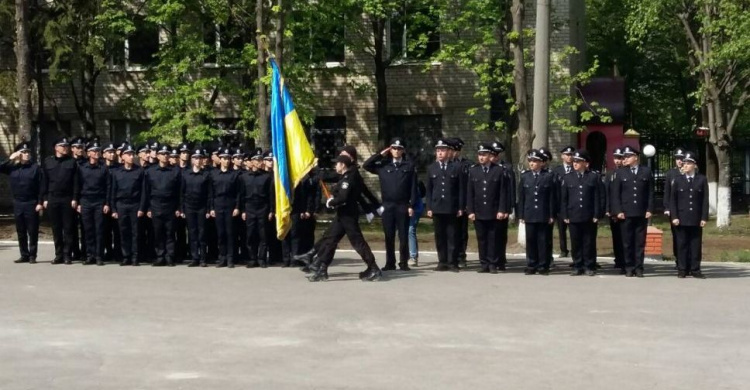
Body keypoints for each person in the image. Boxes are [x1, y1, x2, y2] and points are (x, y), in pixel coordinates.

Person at [306, 155, 382, 282]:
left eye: (337, 163)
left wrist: (331, 202)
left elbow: (343, 198)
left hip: (348, 216)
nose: (335, 166)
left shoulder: (347, 179)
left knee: (358, 242)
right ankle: (322, 270)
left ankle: (373, 268)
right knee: (330, 239)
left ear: (343, 165)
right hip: (342, 216)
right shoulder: (344, 177)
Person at [362, 137, 418, 271]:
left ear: (403, 150)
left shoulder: (408, 166)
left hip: (403, 205)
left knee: (403, 236)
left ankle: (403, 262)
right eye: (394, 148)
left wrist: (411, 205)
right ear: (390, 149)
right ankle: (390, 263)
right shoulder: (383, 165)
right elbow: (366, 165)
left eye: (399, 149)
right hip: (387, 206)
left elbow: (413, 187)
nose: (396, 151)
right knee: (389, 236)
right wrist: (380, 154)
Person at [611, 145, 654, 278]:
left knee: (640, 242)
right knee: (627, 242)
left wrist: (649, 209)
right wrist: (618, 210)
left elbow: (650, 193)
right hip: (626, 213)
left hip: (641, 212)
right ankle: (628, 267)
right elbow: (615, 194)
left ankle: (639, 268)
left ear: (636, 157)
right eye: (625, 156)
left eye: (628, 156)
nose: (625, 159)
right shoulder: (620, 173)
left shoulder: (646, 172)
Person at [466, 143, 509, 273]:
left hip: (493, 210)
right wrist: (471, 211)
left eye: (484, 155)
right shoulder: (474, 170)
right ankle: (483, 263)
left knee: (493, 238)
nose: (481, 157)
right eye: (480, 155)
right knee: (481, 238)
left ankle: (492, 263)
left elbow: (503, 192)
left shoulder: (498, 170)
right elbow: (470, 192)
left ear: (490, 156)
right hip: (479, 211)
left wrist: (502, 209)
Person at [1, 141, 44, 264]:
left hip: (31, 202)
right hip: (18, 202)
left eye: (28, 152)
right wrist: (10, 158)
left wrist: (40, 202)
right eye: (23, 152)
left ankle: (32, 255)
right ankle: (24, 254)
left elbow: (41, 187)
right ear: (18, 154)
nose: (26, 154)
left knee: (32, 230)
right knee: (21, 231)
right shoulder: (12, 167)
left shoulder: (35, 168)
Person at [560, 150, 602, 276]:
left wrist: (596, 214)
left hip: (589, 215)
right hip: (573, 215)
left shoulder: (593, 177)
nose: (575, 164)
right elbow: (564, 199)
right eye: (574, 161)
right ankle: (577, 265)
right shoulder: (568, 177)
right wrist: (565, 215)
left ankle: (589, 266)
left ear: (586, 163)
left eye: (578, 161)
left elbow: (597, 197)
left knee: (588, 242)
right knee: (576, 242)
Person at [425, 138, 464, 272]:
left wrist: (460, 207)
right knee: (440, 236)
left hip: (451, 207)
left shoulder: (456, 167)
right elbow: (429, 190)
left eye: (442, 150)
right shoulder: (432, 168)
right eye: (438, 151)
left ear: (448, 152)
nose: (440, 153)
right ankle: (442, 261)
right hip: (437, 207)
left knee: (452, 235)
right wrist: (429, 207)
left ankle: (452, 262)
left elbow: (460, 189)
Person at [669, 152, 708, 279]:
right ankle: (682, 269)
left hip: (696, 218)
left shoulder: (701, 179)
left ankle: (695, 269)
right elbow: (673, 200)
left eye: (688, 163)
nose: (685, 165)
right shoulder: (678, 180)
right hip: (681, 218)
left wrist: (703, 217)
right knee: (682, 245)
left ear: (694, 165)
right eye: (684, 163)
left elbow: (705, 200)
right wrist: (674, 216)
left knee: (695, 245)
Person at [518, 149, 556, 275]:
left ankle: (543, 265)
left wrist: (551, 214)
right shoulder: (525, 176)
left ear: (541, 163)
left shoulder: (548, 176)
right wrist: (521, 215)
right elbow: (522, 197)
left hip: (543, 214)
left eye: (535, 161)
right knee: (531, 241)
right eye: (530, 161)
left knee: (543, 241)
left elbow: (552, 197)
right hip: (529, 214)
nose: (532, 163)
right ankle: (531, 264)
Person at [42, 137, 79, 264]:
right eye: (62, 145)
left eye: (66, 146)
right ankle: (58, 254)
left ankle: (67, 254)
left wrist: (75, 198)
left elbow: (76, 182)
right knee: (56, 228)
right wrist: (45, 198)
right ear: (56, 147)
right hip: (52, 197)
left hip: (67, 198)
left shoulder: (72, 162)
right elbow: (44, 182)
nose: (65, 148)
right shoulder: (48, 162)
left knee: (68, 228)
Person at [144, 145, 182, 267]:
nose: (165, 156)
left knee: (170, 232)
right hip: (155, 205)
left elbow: (180, 191)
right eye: (162, 154)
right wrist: (148, 208)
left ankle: (169, 257)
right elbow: (147, 191)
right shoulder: (150, 171)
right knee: (158, 232)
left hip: (170, 205)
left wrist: (178, 208)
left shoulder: (175, 171)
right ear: (158, 156)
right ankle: (160, 256)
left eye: (167, 154)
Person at [110, 145, 146, 266]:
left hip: (135, 204)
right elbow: (113, 191)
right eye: (129, 155)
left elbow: (143, 191)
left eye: (132, 154)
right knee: (123, 231)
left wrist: (141, 207)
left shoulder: (139, 171)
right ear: (122, 157)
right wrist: (114, 209)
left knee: (135, 232)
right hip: (121, 204)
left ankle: (135, 257)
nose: (131, 157)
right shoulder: (116, 172)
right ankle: (126, 256)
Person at [75, 141, 110, 265]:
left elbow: (108, 186)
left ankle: (99, 256)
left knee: (99, 229)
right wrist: (78, 202)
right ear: (88, 153)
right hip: (85, 201)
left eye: (98, 151)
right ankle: (90, 255)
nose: (97, 153)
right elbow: (77, 186)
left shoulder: (104, 167)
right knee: (88, 230)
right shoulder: (82, 167)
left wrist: (106, 203)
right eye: (94, 151)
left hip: (99, 201)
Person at [239, 149, 274, 268]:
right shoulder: (244, 177)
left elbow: (270, 195)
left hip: (262, 207)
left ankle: (262, 258)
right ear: (252, 162)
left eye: (260, 160)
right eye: (257, 160)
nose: (260, 162)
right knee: (250, 235)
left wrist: (271, 210)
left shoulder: (266, 177)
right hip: (249, 207)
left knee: (263, 234)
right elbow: (241, 195)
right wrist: (243, 210)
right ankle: (252, 258)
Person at [180, 149, 212, 267]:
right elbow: (182, 193)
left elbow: (209, 194)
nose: (198, 160)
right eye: (196, 158)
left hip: (202, 207)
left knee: (202, 233)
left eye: (200, 158)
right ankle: (195, 258)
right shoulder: (186, 174)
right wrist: (182, 209)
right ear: (192, 160)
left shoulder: (206, 174)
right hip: (189, 207)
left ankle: (203, 258)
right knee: (192, 233)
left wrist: (209, 209)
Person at [211, 147, 241, 268]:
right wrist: (211, 208)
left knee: (230, 233)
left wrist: (237, 207)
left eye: (228, 158)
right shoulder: (214, 174)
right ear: (220, 160)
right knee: (221, 233)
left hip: (230, 205)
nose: (226, 161)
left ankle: (230, 258)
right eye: (224, 158)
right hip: (218, 205)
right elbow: (211, 193)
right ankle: (222, 257)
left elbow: (238, 193)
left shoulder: (234, 175)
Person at [490, 141, 515, 270]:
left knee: (501, 234)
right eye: (492, 154)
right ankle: (492, 259)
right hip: (489, 207)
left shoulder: (507, 167)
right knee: (491, 235)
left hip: (502, 207)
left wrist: (510, 207)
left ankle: (501, 259)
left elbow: (510, 188)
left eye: (496, 154)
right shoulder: (487, 168)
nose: (494, 157)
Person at [449, 138, 472, 268]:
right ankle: (451, 255)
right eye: (451, 150)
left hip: (463, 203)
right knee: (451, 231)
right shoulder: (443, 164)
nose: (453, 153)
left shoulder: (467, 164)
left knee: (462, 231)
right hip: (449, 203)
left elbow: (470, 185)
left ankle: (461, 256)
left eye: (456, 150)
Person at [663, 148, 685, 268]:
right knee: (676, 235)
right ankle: (678, 258)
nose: (679, 161)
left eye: (681, 159)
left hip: (686, 209)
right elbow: (667, 191)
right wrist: (666, 207)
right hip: (674, 209)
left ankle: (686, 259)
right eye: (677, 159)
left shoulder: (689, 172)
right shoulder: (671, 173)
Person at [552, 146, 575, 258]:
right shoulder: (557, 171)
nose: (569, 157)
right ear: (562, 156)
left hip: (572, 205)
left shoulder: (576, 169)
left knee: (574, 230)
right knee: (561, 229)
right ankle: (563, 250)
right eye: (567, 154)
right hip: (560, 204)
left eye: (571, 155)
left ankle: (574, 250)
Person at [605, 147, 626, 272]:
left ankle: (625, 260)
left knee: (626, 237)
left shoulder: (627, 172)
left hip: (626, 210)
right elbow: (607, 192)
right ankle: (618, 259)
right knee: (616, 236)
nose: (618, 161)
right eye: (616, 158)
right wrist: (608, 208)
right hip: (614, 210)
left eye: (620, 158)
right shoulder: (610, 174)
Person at [408, 178, 426, 267]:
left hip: (416, 209)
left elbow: (423, 193)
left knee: (411, 230)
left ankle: (413, 256)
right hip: (404, 208)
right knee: (405, 232)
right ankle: (408, 254)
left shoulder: (417, 182)